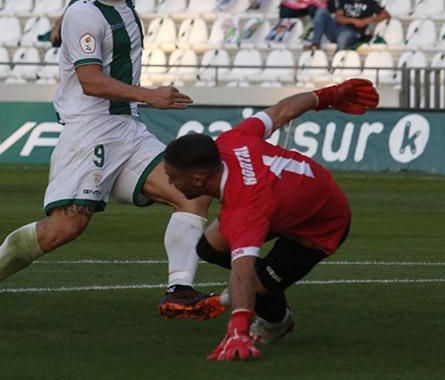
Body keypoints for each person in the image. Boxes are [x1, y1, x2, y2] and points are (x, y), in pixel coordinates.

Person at [0, 0, 226, 330]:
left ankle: (178, 290)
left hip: (127, 131)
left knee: (194, 189)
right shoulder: (83, 14)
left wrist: (140, 105)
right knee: (66, 227)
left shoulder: (126, 7)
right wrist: (151, 95)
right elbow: (91, 82)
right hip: (89, 132)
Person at [161, 79, 380, 361]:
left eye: (173, 177)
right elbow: (282, 110)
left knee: (256, 284)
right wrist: (328, 95)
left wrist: (237, 328)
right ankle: (255, 288)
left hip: (321, 225)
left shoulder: (246, 210)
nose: (168, 181)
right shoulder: (229, 141)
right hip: (290, 198)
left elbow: (242, 272)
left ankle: (277, 323)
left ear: (199, 179)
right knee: (208, 248)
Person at [310, 0, 390, 50]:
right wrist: (354, 21)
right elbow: (338, 18)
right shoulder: (345, 0)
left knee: (343, 38)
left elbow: (386, 15)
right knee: (322, 11)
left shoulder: (370, 2)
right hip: (336, 30)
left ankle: (336, 63)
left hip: (353, 32)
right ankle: (315, 44)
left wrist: (367, 20)